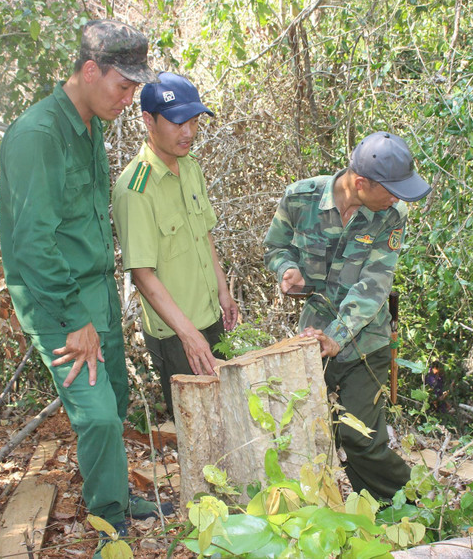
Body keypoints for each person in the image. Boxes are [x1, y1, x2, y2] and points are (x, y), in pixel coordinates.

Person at [0, 20, 171, 550]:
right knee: (96, 415)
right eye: (124, 85)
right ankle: (107, 524)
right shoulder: (38, 135)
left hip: (95, 290)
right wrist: (75, 320)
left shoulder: (90, 121)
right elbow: (31, 243)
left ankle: (113, 497)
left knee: (114, 400)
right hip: (58, 300)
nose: (130, 98)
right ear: (90, 70)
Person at [263, 131, 431, 500]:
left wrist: (337, 336)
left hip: (364, 341)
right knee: (308, 434)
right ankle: (348, 508)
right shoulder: (300, 198)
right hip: (311, 340)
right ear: (360, 183)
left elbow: (373, 286)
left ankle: (414, 503)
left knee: (361, 438)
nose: (398, 198)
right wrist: (286, 269)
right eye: (391, 189)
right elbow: (275, 246)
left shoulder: (391, 215)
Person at [112, 72, 239, 413]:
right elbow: (142, 274)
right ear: (148, 121)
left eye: (194, 122)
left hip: (211, 318)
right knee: (200, 433)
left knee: (231, 418)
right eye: (177, 123)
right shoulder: (135, 189)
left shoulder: (190, 168)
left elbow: (204, 234)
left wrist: (223, 291)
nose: (188, 133)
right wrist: (188, 335)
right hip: (176, 335)